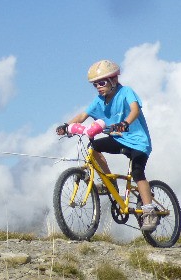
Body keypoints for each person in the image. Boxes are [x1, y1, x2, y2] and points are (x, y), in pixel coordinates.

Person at [56, 59, 159, 231]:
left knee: (137, 172)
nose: (98, 87)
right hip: (119, 139)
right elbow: (82, 116)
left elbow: (135, 109)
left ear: (114, 80)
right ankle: (109, 184)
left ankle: (149, 212)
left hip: (138, 141)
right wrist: (66, 126)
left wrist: (125, 123)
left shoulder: (126, 92)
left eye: (101, 82)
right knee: (94, 147)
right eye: (95, 84)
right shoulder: (99, 101)